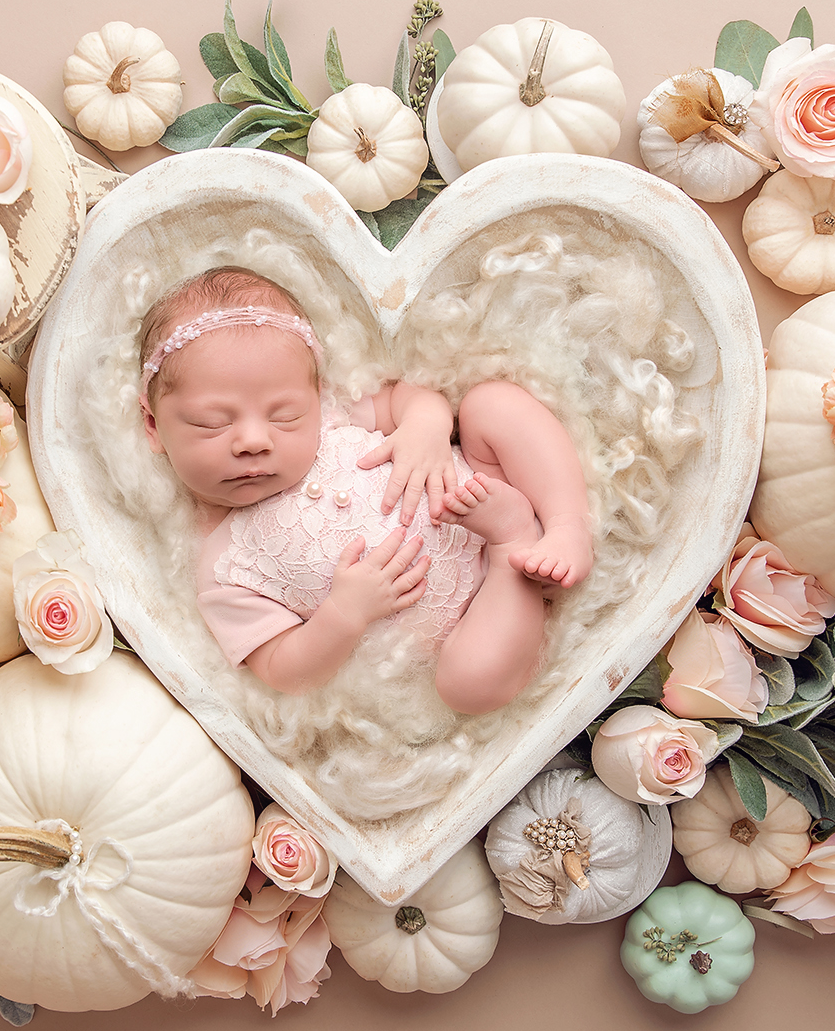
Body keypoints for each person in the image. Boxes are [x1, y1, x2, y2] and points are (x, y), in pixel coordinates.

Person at [138, 267, 594, 715]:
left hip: (481, 474)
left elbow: (411, 395)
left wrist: (426, 425)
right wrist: (344, 614)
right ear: (154, 426)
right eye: (212, 423)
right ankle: (515, 540)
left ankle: (565, 525)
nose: (255, 441)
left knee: (492, 404)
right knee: (467, 689)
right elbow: (280, 669)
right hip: (481, 614)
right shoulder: (225, 569)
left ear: (316, 398)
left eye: (285, 415)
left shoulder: (335, 419)